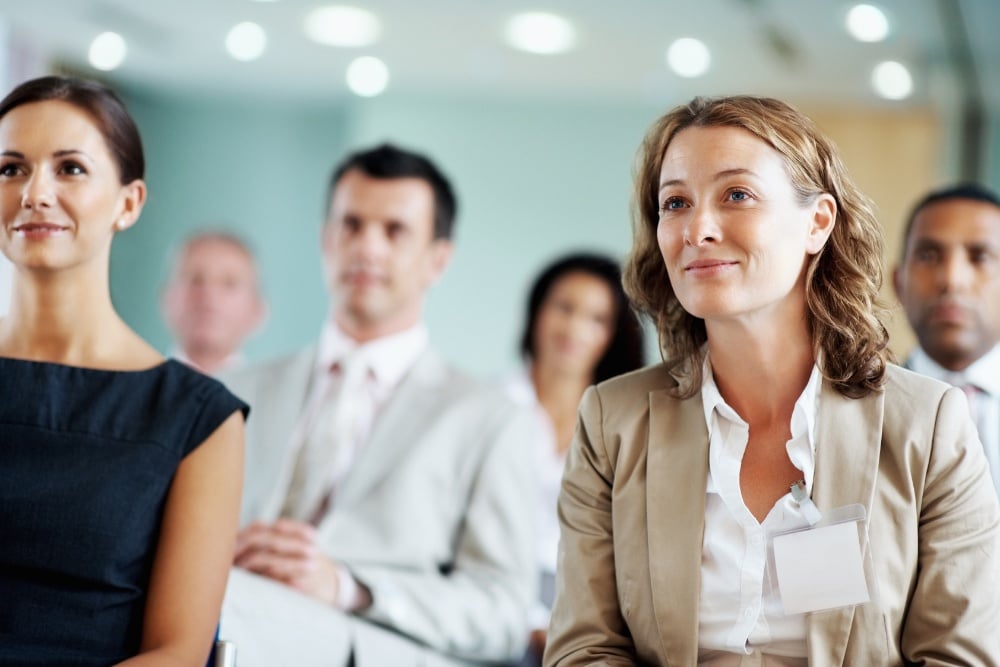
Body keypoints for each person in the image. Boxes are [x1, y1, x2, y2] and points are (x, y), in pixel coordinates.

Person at [544, 95, 1000, 666]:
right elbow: (584, 647)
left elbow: (960, 656)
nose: (698, 229)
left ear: (817, 223)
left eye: (737, 195)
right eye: (675, 202)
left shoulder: (926, 423)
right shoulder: (613, 420)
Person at [220, 143, 537, 667]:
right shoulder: (238, 389)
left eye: (394, 231)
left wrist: (350, 588)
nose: (367, 248)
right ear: (326, 240)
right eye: (351, 225)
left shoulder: (489, 419)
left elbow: (503, 614)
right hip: (227, 627)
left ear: (437, 259)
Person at [0, 76, 247, 666]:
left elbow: (177, 653)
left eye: (71, 169)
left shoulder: (200, 422)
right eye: (10, 169)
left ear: (128, 203)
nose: (34, 192)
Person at [505, 252, 644, 666]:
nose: (574, 329)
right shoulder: (488, 410)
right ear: (537, 311)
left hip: (583, 623)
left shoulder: (625, 428)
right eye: (564, 308)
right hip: (497, 607)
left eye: (597, 319)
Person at [893, 183, 1000, 497]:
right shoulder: (855, 412)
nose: (952, 279)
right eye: (928, 255)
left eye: (979, 257)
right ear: (899, 283)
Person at [161, 230, 266, 375]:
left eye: (229, 283)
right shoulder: (131, 390)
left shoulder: (278, 395)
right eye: (196, 280)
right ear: (166, 299)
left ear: (257, 310)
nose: (209, 295)